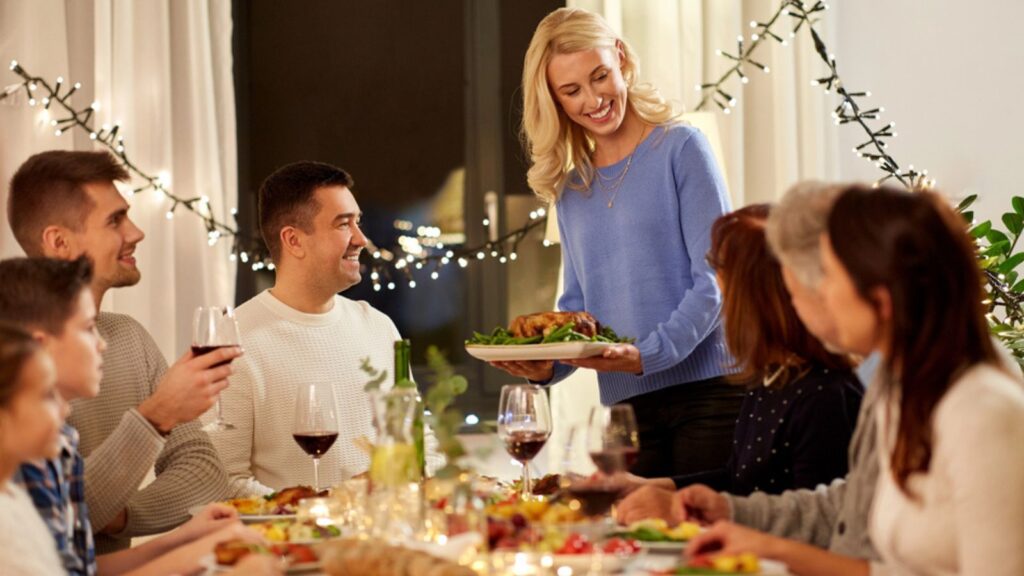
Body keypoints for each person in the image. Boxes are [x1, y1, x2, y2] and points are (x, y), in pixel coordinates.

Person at [685, 185, 1024, 576]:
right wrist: (732, 511)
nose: (817, 292)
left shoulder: (984, 415)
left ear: (881, 302)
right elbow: (853, 503)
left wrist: (782, 551)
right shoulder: (900, 383)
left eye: (829, 275)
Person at [492, 6, 742, 478]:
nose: (593, 99)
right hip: (628, 407)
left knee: (703, 546)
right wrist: (547, 368)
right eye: (572, 90)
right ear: (555, 100)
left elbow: (715, 278)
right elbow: (580, 308)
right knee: (637, 547)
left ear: (621, 59)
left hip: (711, 395)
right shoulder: (570, 191)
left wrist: (649, 355)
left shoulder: (682, 148)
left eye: (600, 76)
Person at [7, 150, 234, 551]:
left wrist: (126, 517)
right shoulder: (12, 362)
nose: (136, 232)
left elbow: (204, 470)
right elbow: (58, 509)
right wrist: (156, 415)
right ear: (59, 242)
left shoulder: (127, 336)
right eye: (115, 219)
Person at [0, 259, 280, 576]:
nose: (103, 344)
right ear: (40, 347)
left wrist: (184, 540)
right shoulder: (22, 463)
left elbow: (81, 569)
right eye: (89, 328)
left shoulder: (58, 444)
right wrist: (195, 557)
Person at [208, 161, 438, 495]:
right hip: (290, 543)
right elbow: (224, 482)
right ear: (294, 240)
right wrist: (331, 508)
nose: (361, 238)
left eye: (357, 222)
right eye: (344, 224)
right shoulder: (233, 342)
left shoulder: (378, 326)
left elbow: (420, 441)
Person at [614, 204, 860, 514]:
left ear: (755, 291)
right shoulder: (769, 378)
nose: (715, 282)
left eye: (719, 267)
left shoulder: (824, 396)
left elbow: (814, 523)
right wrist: (648, 486)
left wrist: (677, 508)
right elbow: (738, 479)